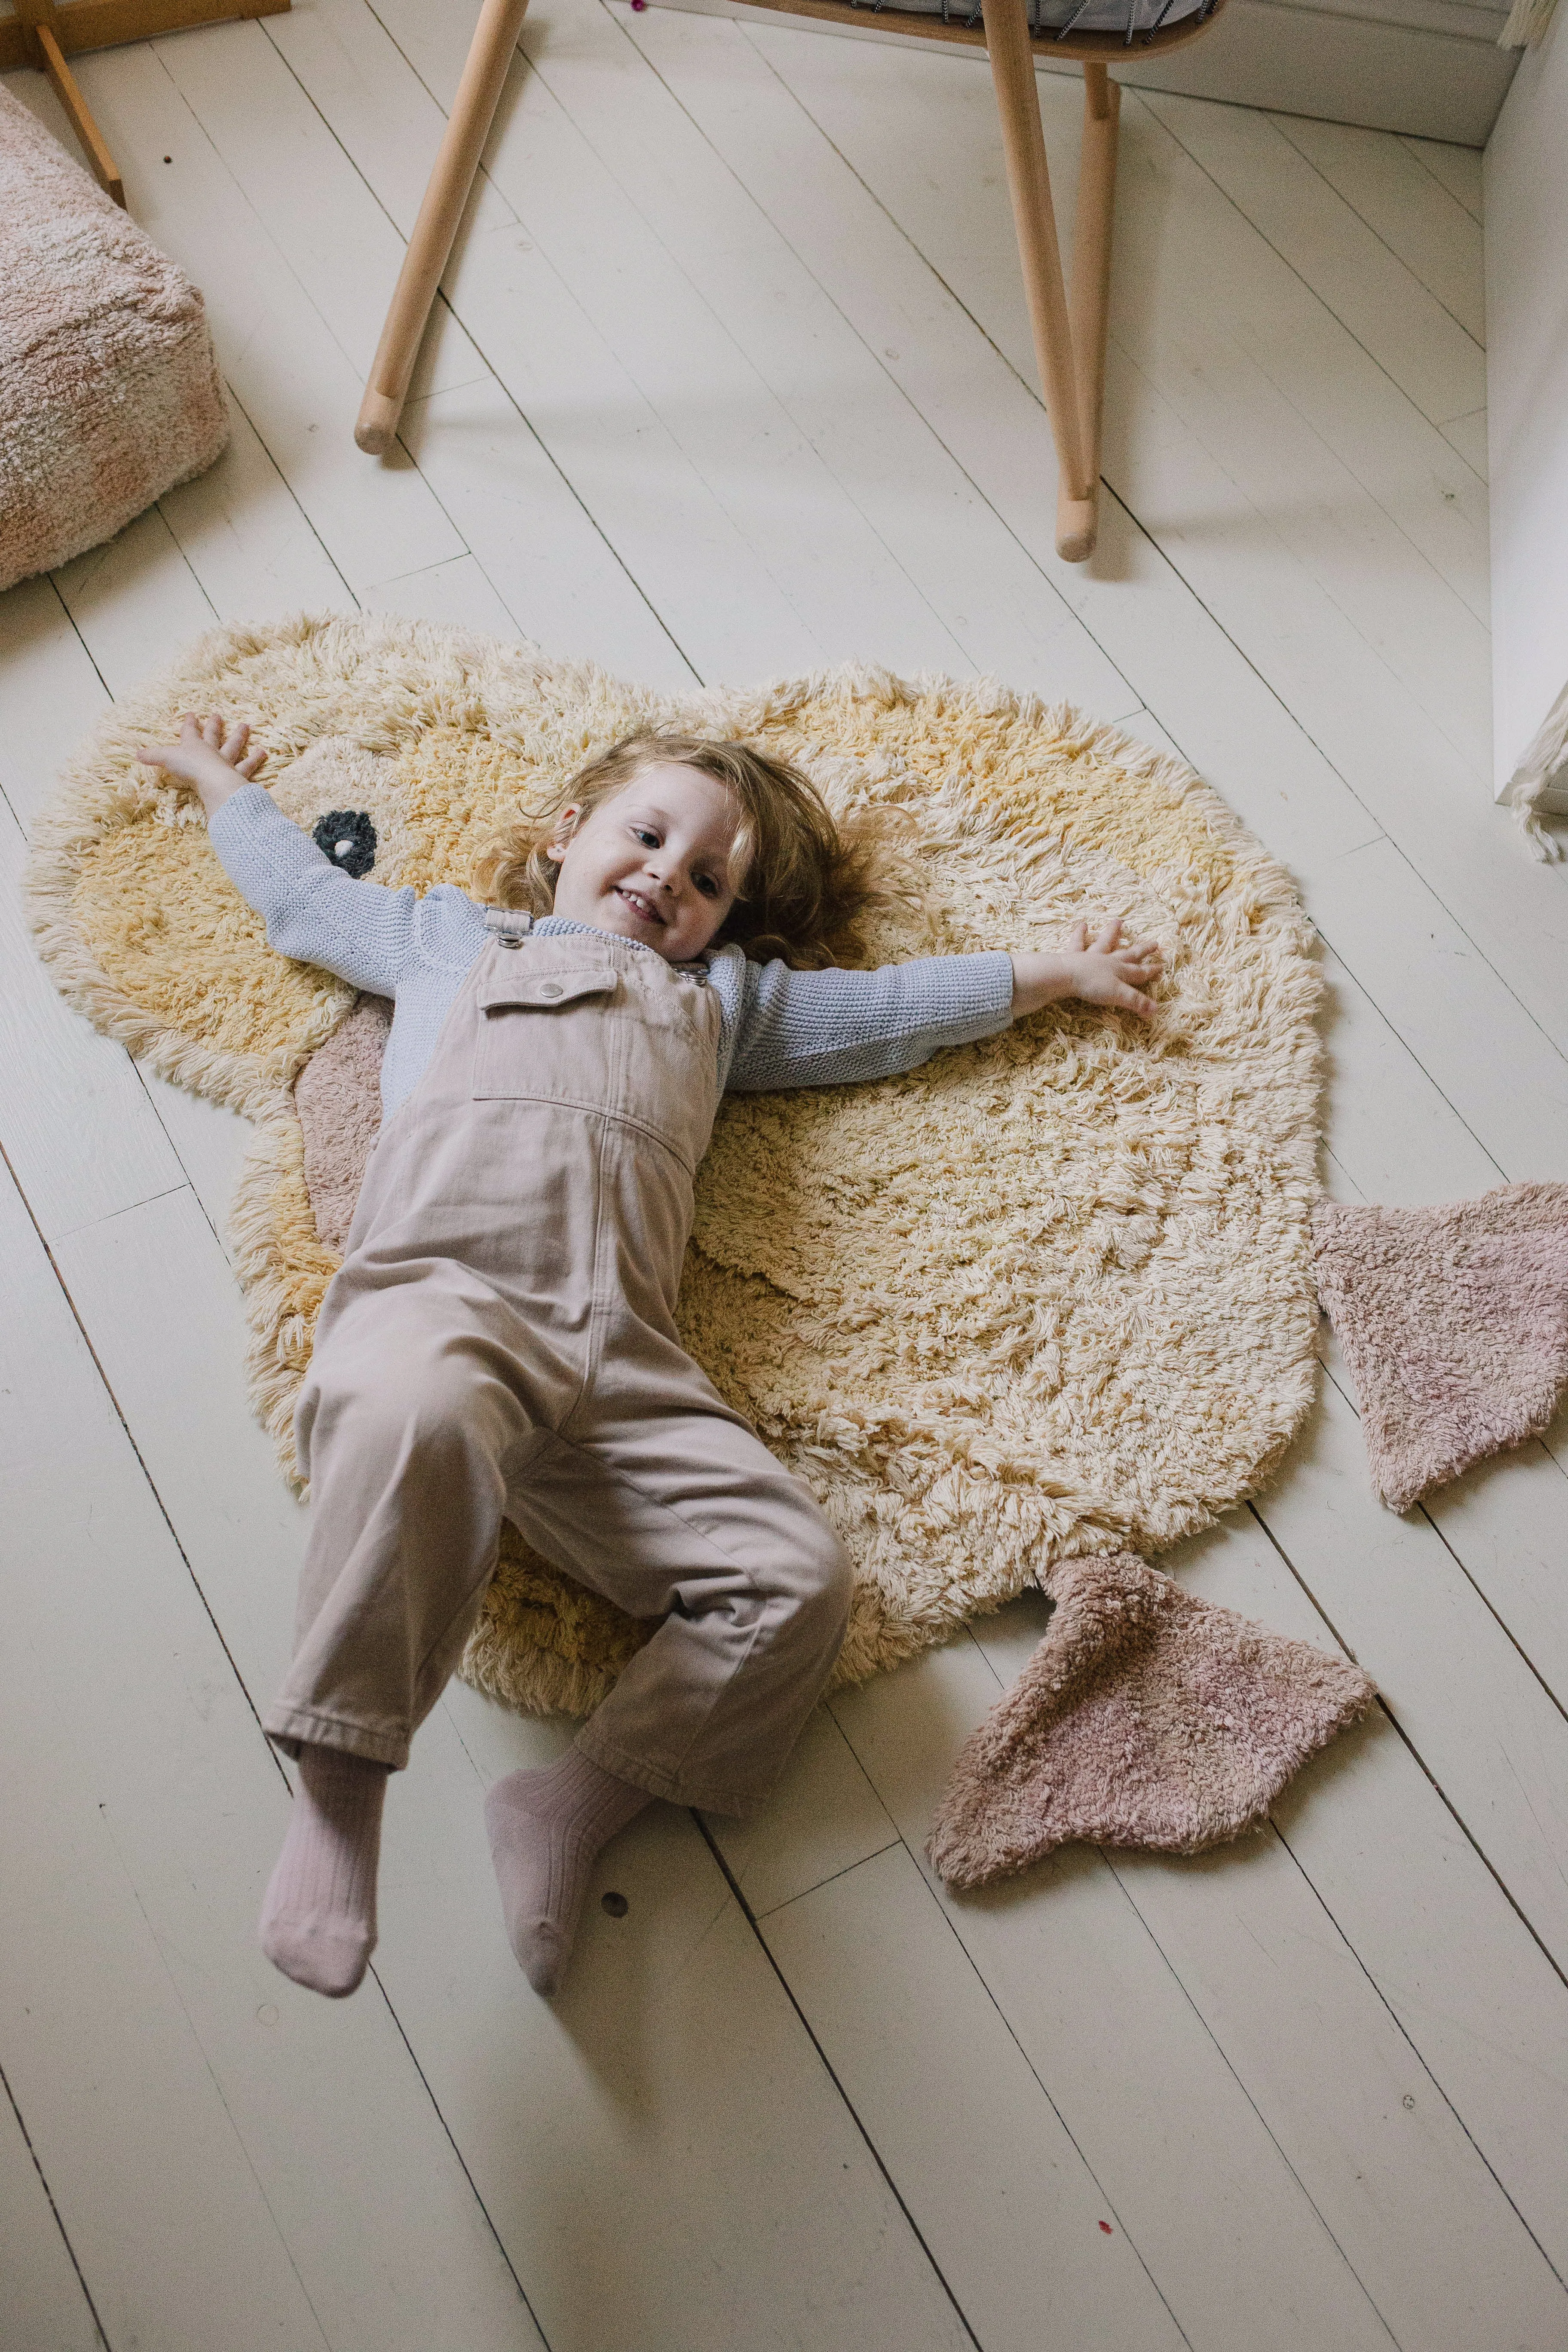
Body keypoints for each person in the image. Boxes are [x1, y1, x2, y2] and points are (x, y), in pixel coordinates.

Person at [138, 712, 1162, 2002]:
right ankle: (342, 1793)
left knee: (793, 1581)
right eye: (648, 834)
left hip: (624, 1362)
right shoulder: (451, 939)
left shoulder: (724, 1009)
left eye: (707, 882)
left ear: (725, 924)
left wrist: (1050, 974)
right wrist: (229, 782)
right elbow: (302, 903)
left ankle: (571, 1807)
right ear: (565, 836)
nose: (667, 878)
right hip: (446, 1298)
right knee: (414, 1415)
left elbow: (887, 1010)